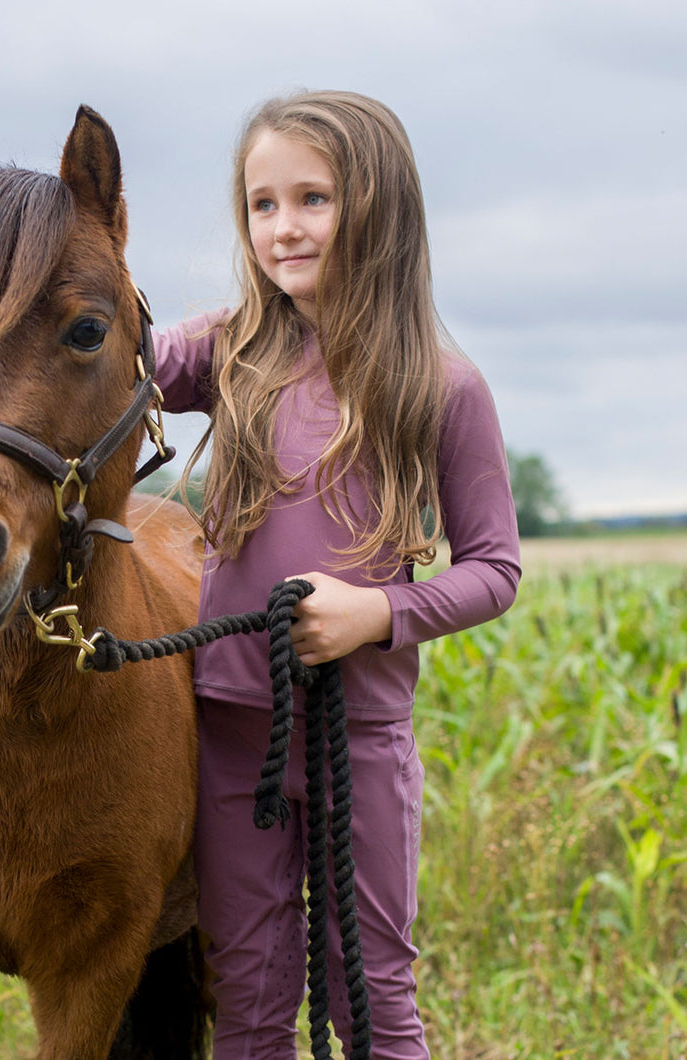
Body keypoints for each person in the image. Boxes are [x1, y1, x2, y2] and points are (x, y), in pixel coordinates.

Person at [152, 91, 521, 1060]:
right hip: (236, 727)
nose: (283, 227)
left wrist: (378, 612)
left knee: (374, 996)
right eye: (261, 204)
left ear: (378, 206)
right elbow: (110, 364)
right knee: (250, 991)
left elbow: (494, 569)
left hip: (362, 733)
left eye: (311, 198)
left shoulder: (440, 384)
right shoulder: (222, 348)